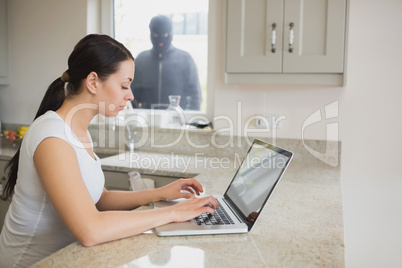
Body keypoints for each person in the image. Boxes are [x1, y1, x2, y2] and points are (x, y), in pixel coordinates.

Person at [0, 34, 217, 268]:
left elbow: (100, 199)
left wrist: (162, 193)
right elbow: (90, 229)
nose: (130, 95)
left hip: (69, 258)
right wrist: (173, 214)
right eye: (124, 85)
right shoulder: (52, 137)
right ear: (93, 82)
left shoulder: (78, 130)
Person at [131, 15, 202, 110]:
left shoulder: (185, 59)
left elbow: (195, 95)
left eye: (165, 35)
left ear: (170, 33)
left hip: (176, 119)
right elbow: (132, 94)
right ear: (151, 34)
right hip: (148, 118)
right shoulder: (141, 60)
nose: (161, 39)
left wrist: (190, 119)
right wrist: (137, 116)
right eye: (156, 35)